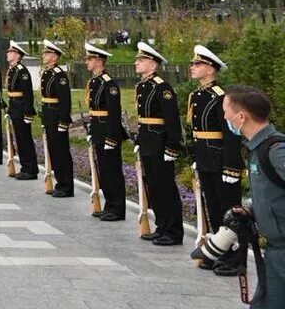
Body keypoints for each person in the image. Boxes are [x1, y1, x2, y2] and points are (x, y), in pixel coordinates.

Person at [223, 85, 285, 304]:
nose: (225, 118)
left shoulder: (275, 150)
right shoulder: (257, 149)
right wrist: (251, 210)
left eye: (226, 113)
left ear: (240, 117)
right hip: (275, 252)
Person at [188, 45, 244, 272]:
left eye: (198, 64)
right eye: (193, 64)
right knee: (212, 208)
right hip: (205, 159)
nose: (193, 67)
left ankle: (236, 259)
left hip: (221, 161)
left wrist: (232, 167)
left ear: (211, 69)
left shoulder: (222, 97)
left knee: (228, 210)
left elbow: (232, 136)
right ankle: (217, 251)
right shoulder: (199, 95)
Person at [133, 40, 183, 245]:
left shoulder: (162, 88)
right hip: (147, 142)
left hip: (160, 143)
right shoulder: (143, 86)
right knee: (153, 186)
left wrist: (172, 145)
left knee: (165, 187)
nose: (137, 62)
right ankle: (161, 226)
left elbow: (171, 119)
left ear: (153, 65)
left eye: (141, 59)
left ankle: (173, 231)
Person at [85, 42, 124, 220]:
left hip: (108, 131)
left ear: (99, 61)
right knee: (104, 171)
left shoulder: (109, 84)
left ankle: (117, 208)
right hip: (98, 130)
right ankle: (109, 204)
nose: (87, 62)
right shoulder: (94, 82)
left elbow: (114, 113)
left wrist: (112, 136)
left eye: (90, 59)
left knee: (112, 171)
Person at [41, 40, 73, 196]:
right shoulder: (47, 72)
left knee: (61, 152)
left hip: (57, 117)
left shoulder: (59, 75)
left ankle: (66, 186)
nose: (44, 55)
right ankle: (60, 183)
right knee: (54, 151)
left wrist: (64, 120)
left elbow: (65, 100)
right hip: (49, 116)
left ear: (54, 57)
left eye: (47, 53)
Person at [5, 41, 38, 180]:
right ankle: (25, 167)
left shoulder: (22, 71)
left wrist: (28, 112)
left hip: (21, 108)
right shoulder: (13, 70)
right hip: (14, 107)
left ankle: (31, 169)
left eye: (11, 52)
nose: (8, 54)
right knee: (19, 139)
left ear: (17, 55)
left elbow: (28, 93)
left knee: (25, 139)